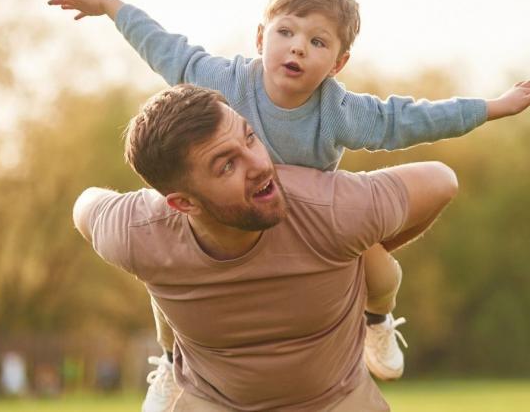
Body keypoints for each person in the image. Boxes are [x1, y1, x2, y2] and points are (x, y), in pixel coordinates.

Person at [51, 0, 530, 409]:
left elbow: (410, 120)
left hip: (313, 223)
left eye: (317, 42)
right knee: (166, 292)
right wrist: (112, 6)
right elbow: (165, 48)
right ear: (261, 36)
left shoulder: (340, 111)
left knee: (383, 270)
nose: (297, 48)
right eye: (286, 32)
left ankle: (376, 321)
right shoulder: (222, 81)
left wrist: (492, 107)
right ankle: (172, 363)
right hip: (234, 218)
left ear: (338, 62)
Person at [73, 84, 469, 410]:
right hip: (212, 401)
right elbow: (84, 208)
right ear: (183, 203)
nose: (261, 165)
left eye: (250, 137)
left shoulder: (329, 208)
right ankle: (171, 360)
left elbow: (441, 181)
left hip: (337, 400)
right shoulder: (138, 231)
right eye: (227, 165)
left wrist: (356, 252)